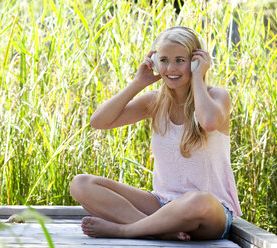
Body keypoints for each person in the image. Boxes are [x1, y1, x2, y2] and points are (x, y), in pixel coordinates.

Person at [70, 26, 242, 241]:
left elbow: (208, 122)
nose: (171, 68)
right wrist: (138, 83)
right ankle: (159, 229)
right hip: (161, 204)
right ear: (155, 62)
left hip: (209, 212)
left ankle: (125, 230)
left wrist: (198, 77)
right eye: (164, 60)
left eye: (180, 60)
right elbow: (99, 122)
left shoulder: (217, 96)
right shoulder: (154, 101)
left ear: (196, 61)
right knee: (81, 184)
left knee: (198, 200)